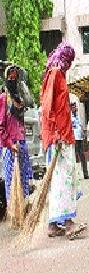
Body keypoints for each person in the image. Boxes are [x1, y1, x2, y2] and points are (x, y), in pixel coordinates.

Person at [41, 42, 87, 239]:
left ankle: (53, 225)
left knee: (59, 179)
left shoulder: (57, 74)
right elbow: (47, 107)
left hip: (62, 135)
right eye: (69, 60)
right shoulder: (55, 74)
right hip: (59, 137)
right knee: (64, 180)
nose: (69, 65)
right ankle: (68, 223)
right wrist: (57, 134)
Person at [0, 65, 33, 212]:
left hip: (21, 144)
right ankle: (14, 212)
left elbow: (29, 102)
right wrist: (9, 144)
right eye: (11, 77)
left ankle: (24, 209)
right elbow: (1, 126)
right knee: (11, 181)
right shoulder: (3, 99)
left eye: (16, 76)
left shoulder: (20, 98)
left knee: (24, 179)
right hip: (9, 146)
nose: (13, 79)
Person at [71, 102, 89, 179]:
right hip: (74, 139)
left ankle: (86, 174)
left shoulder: (77, 116)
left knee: (82, 156)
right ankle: (75, 176)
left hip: (80, 138)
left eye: (75, 107)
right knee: (74, 157)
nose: (75, 108)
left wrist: (83, 133)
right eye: (73, 107)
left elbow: (80, 126)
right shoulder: (70, 116)